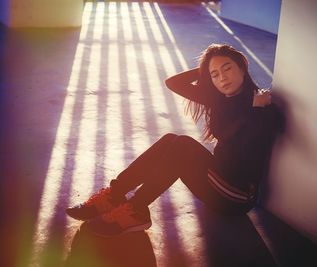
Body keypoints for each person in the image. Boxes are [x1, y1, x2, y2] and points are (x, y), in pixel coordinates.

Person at [66, 43, 281, 237]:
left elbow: (234, 136)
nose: (222, 78)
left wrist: (252, 107)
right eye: (214, 74)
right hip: (217, 177)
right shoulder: (221, 97)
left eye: (227, 68)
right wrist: (206, 69)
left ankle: (136, 210)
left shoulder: (261, 106)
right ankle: (114, 194)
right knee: (172, 139)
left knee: (182, 146)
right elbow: (174, 83)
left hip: (236, 195)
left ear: (242, 68)